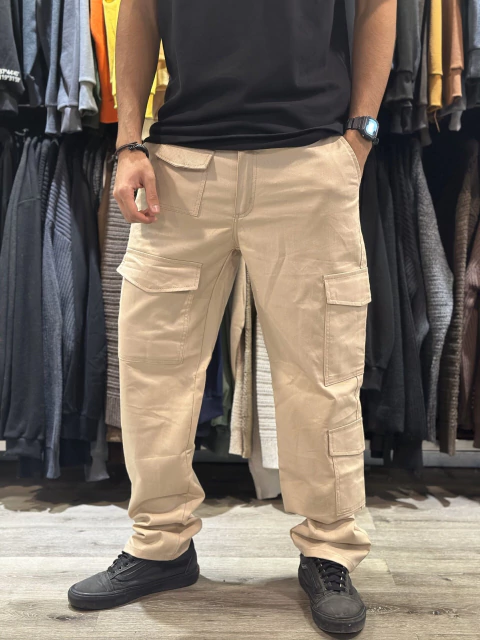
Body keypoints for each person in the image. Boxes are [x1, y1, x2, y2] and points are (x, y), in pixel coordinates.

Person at [68, 0, 396, 633]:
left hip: (308, 160)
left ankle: (330, 550)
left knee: (322, 373)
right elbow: (138, 10)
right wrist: (129, 140)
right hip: (179, 164)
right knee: (153, 369)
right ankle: (160, 544)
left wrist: (361, 133)